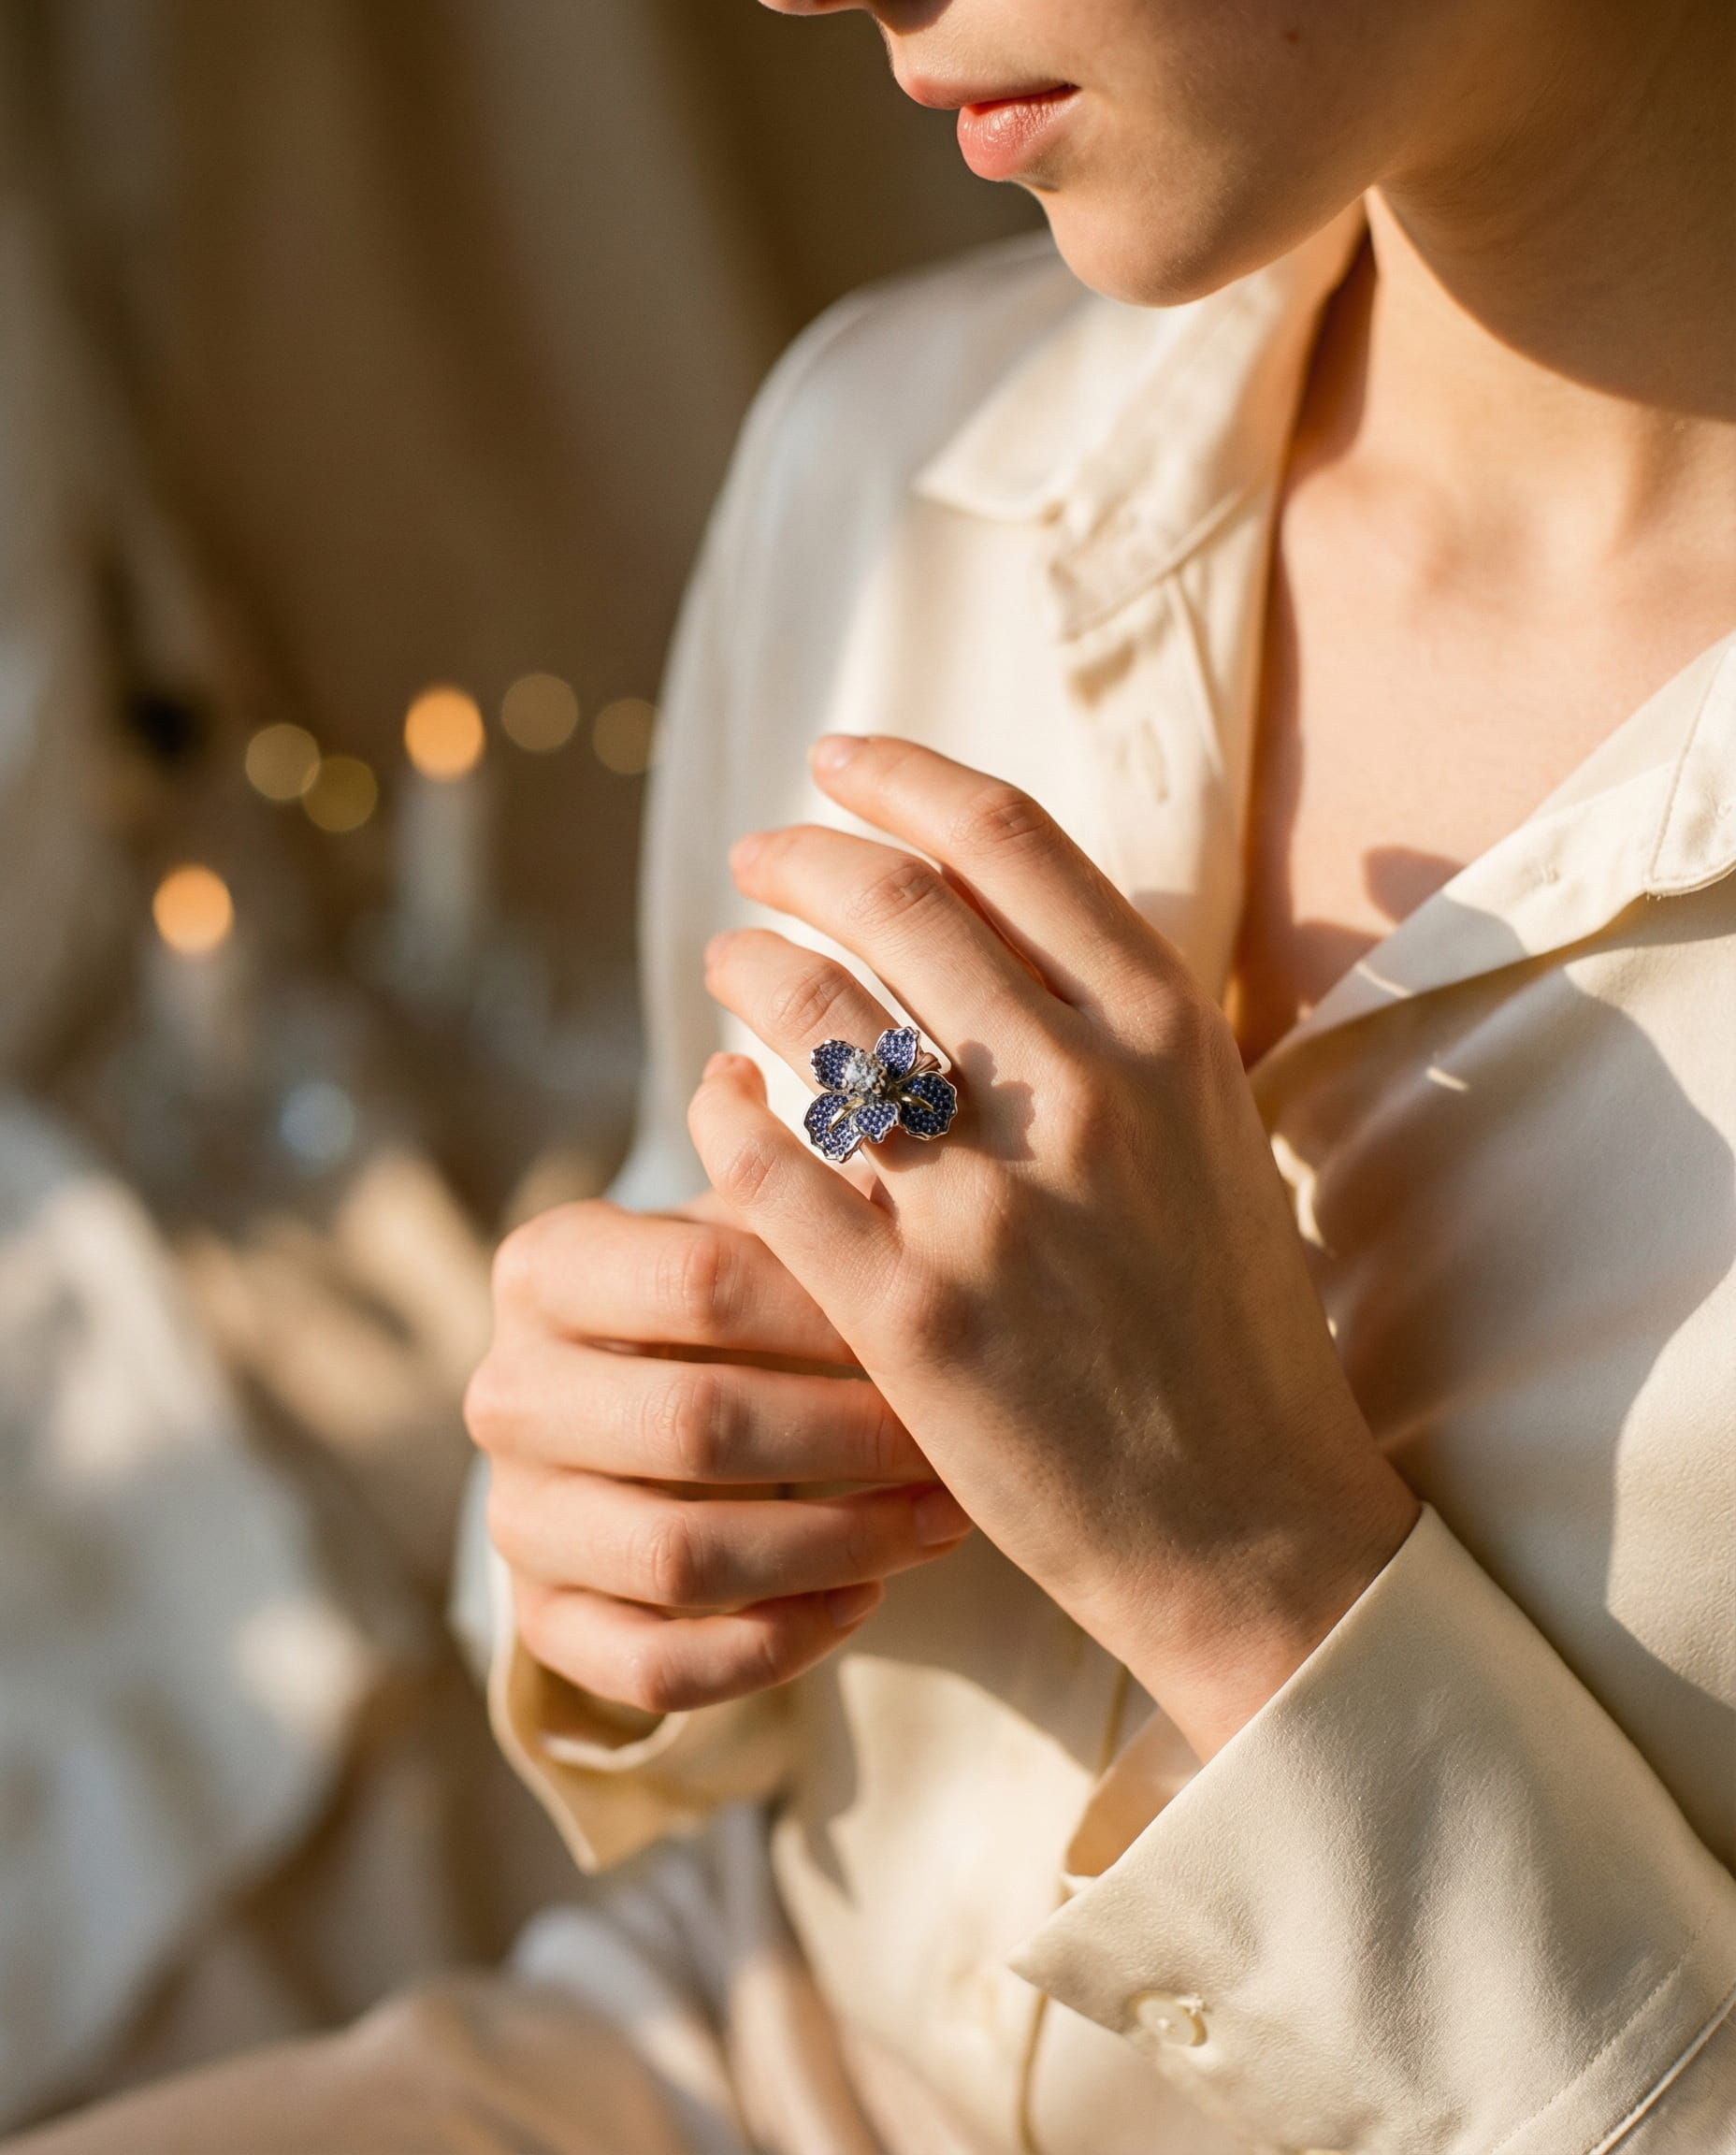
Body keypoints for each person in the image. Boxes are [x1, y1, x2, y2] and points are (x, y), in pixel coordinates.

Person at [16, 0, 1736, 2149]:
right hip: (729, 2057)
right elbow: (689, 1626)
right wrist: (610, 1520)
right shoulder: (893, 442)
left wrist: (1251, 1578)